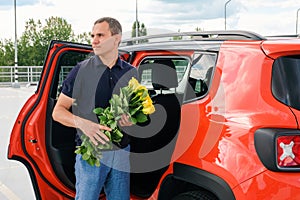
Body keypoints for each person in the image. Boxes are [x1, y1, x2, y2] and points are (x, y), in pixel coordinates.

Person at [52, 17, 138, 200]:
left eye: (100, 35)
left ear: (116, 38)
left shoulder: (131, 72)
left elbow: (132, 110)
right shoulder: (81, 70)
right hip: (91, 153)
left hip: (121, 151)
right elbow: (58, 111)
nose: (94, 40)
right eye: (92, 35)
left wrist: (130, 119)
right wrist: (84, 124)